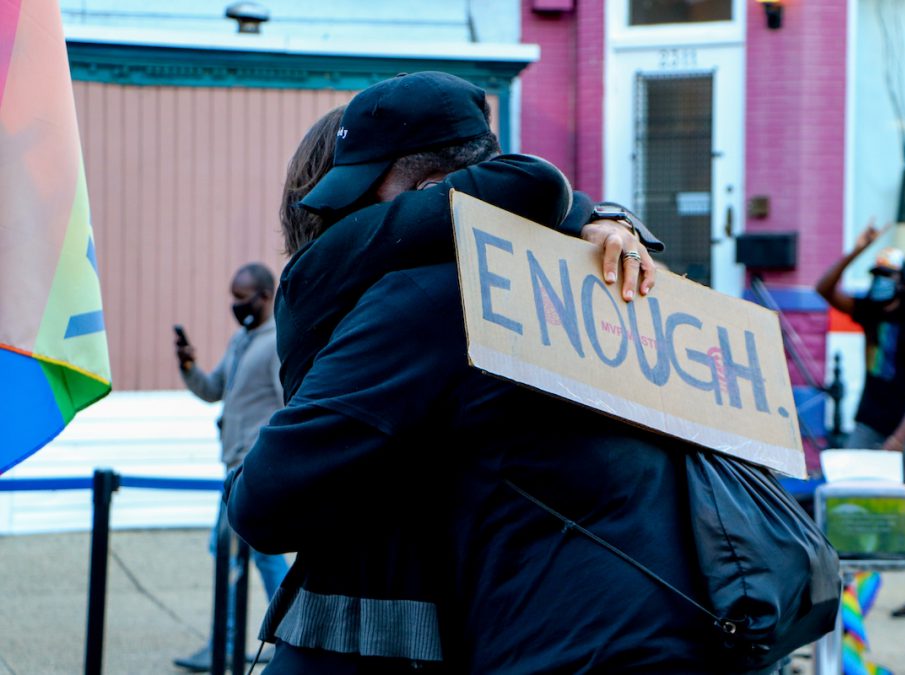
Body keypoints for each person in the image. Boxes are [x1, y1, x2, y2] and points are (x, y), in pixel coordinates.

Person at [225, 72, 767, 673]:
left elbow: (261, 504)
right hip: (706, 619)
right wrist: (598, 217)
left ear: (436, 196)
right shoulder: (594, 273)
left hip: (534, 644)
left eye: (364, 202)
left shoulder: (426, 300)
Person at [815, 222, 905, 618]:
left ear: (901, 281)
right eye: (876, 275)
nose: (880, 282)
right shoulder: (870, 311)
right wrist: (858, 250)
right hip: (870, 419)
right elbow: (824, 288)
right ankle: (847, 583)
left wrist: (902, 435)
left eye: (887, 276)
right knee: (849, 489)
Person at [173, 263, 289, 671]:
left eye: (242, 298)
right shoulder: (242, 342)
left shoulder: (276, 344)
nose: (235, 306)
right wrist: (188, 367)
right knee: (258, 557)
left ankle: (227, 643)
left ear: (264, 296)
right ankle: (280, 637)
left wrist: (271, 461)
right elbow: (212, 391)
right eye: (233, 298)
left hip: (251, 471)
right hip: (233, 469)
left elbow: (288, 406)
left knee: (227, 550)